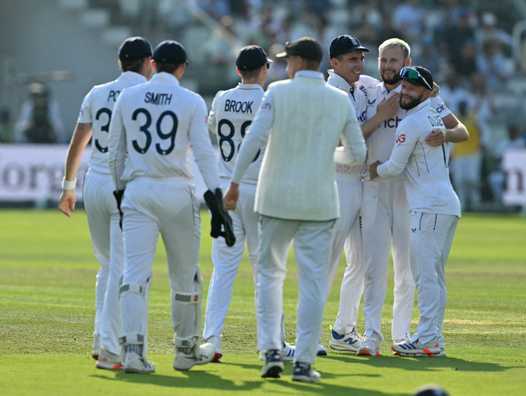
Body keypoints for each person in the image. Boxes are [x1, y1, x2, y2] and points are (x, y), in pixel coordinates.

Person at [224, 37, 366, 382]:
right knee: (313, 282)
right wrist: (326, 157)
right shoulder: (338, 99)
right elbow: (357, 154)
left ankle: (271, 350)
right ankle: (303, 362)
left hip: (275, 198)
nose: (285, 66)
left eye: (288, 60)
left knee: (270, 277)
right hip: (319, 200)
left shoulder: (277, 93)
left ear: (299, 62)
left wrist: (235, 181)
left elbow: (253, 140)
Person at [109, 40, 230, 373]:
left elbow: (114, 154)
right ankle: (185, 350)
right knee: (185, 275)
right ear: (181, 67)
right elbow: (204, 154)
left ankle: (132, 351)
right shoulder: (190, 100)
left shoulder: (128, 97)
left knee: (134, 275)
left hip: (137, 190)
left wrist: (120, 192)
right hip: (176, 191)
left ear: (154, 64)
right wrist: (215, 198)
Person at [202, 45, 304, 362]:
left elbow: (212, 129)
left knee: (223, 270)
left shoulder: (220, 98)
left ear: (237, 71)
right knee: (267, 272)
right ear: (263, 70)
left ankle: (211, 340)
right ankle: (271, 343)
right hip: (259, 191)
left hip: (226, 190)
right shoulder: (269, 99)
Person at [57, 36, 153, 369]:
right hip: (124, 185)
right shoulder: (144, 94)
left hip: (94, 184)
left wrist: (68, 186)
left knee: (108, 266)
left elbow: (78, 142)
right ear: (147, 62)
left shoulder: (97, 92)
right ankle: (112, 348)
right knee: (122, 269)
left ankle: (100, 339)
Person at [369, 66, 461, 357]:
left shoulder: (411, 123)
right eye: (404, 86)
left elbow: (394, 168)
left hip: (429, 207)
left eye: (413, 87)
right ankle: (433, 337)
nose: (406, 91)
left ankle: (428, 339)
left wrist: (373, 171)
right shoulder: (434, 110)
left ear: (426, 91)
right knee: (434, 275)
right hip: (444, 205)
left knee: (425, 276)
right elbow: (458, 129)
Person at [325, 34, 399, 353]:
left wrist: (429, 90)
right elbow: (343, 142)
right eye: (352, 59)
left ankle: (342, 330)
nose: (359, 64)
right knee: (326, 260)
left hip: (359, 183)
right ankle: (307, 332)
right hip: (337, 181)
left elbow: (397, 79)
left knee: (360, 261)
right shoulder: (331, 93)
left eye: (361, 58)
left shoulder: (360, 85)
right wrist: (380, 118)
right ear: (334, 63)